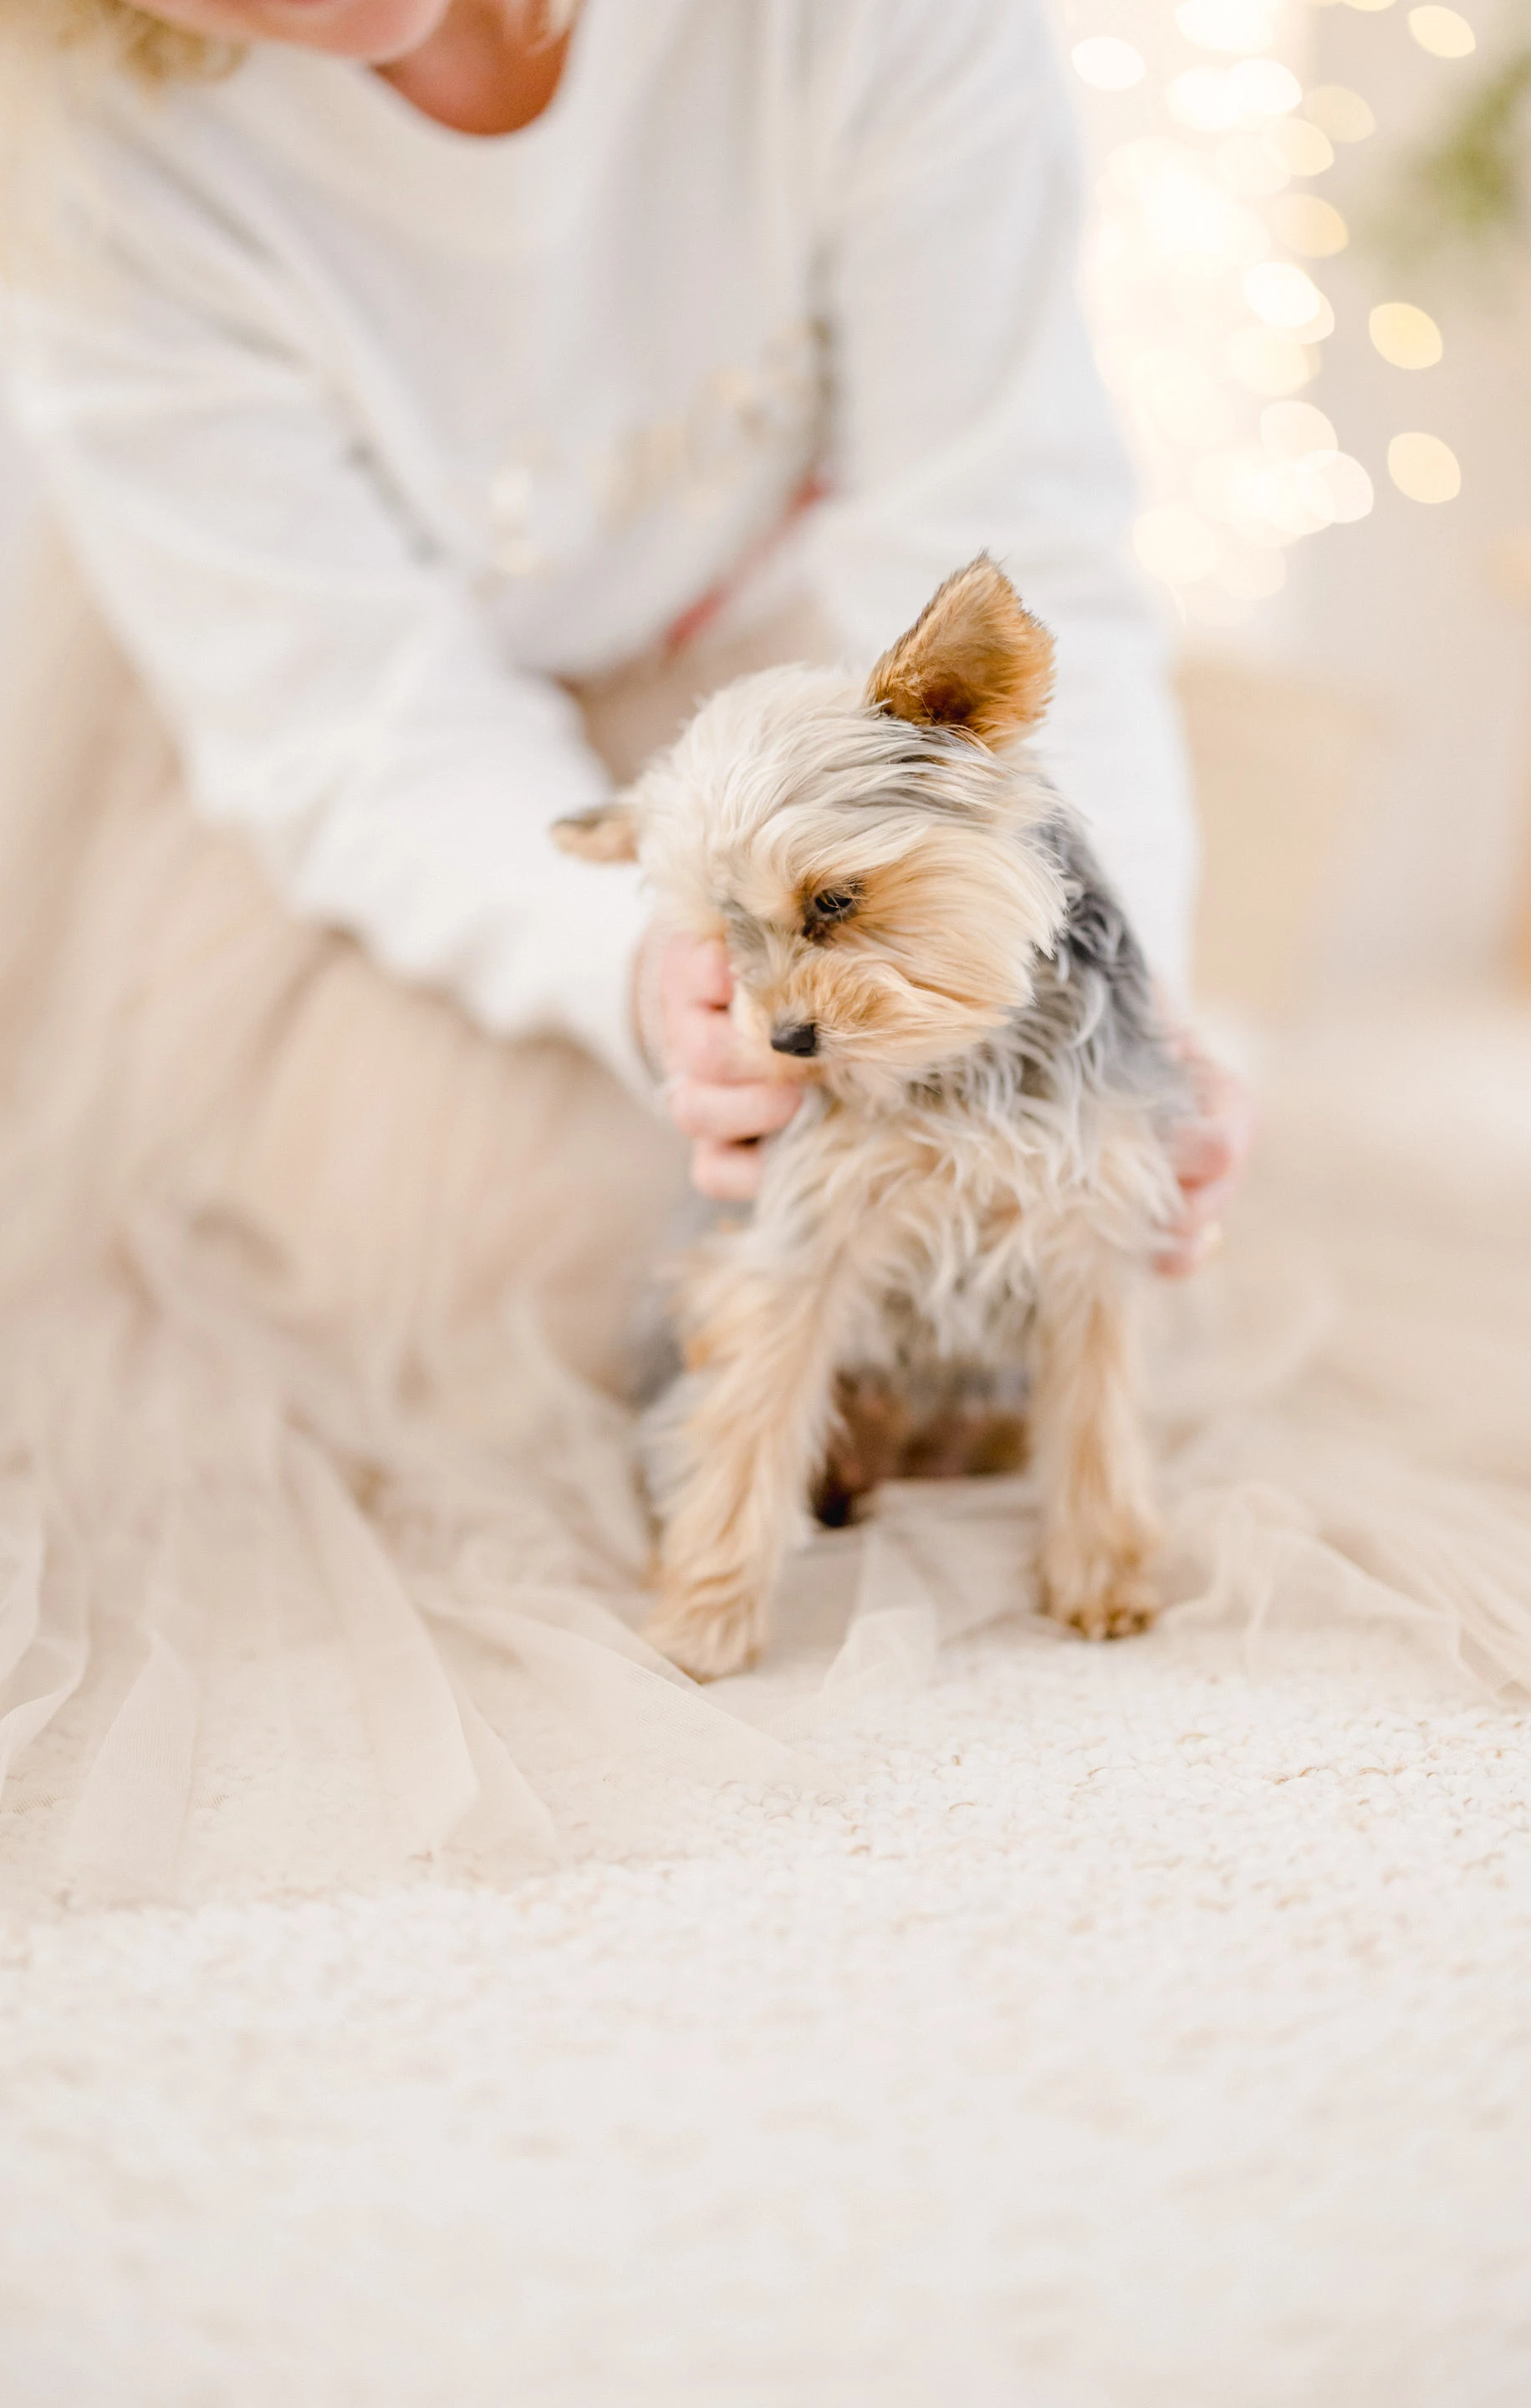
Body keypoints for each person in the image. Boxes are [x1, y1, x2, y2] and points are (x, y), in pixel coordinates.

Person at [0, 0, 1249, 1901]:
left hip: (779, 687)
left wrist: (1115, 976)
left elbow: (1011, 543)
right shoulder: (91, 145)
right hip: (379, 766)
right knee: (527, 1283)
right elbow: (352, 716)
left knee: (1018, 1241)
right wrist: (625, 956)